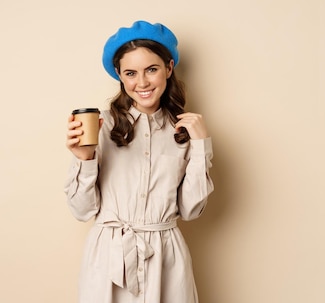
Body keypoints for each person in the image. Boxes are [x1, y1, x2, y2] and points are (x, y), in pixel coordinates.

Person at [64, 20, 214, 303]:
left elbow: (192, 210)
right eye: (131, 73)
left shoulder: (184, 132)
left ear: (169, 68)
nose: (142, 83)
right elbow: (82, 211)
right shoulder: (100, 126)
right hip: (109, 258)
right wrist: (84, 159)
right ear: (120, 76)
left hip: (166, 258)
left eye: (152, 69)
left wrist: (201, 147)